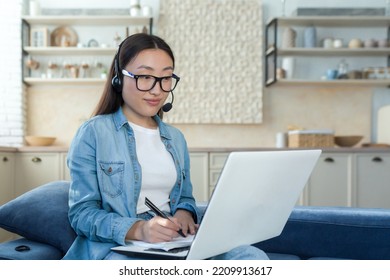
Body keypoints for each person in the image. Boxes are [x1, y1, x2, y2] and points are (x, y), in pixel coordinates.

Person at [63, 33, 268, 260]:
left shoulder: (176, 138)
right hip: (118, 246)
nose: (157, 90)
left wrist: (184, 214)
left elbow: (185, 198)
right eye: (145, 76)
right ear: (118, 78)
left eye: (166, 78)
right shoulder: (94, 132)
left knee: (251, 257)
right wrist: (139, 229)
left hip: (172, 241)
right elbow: (82, 215)